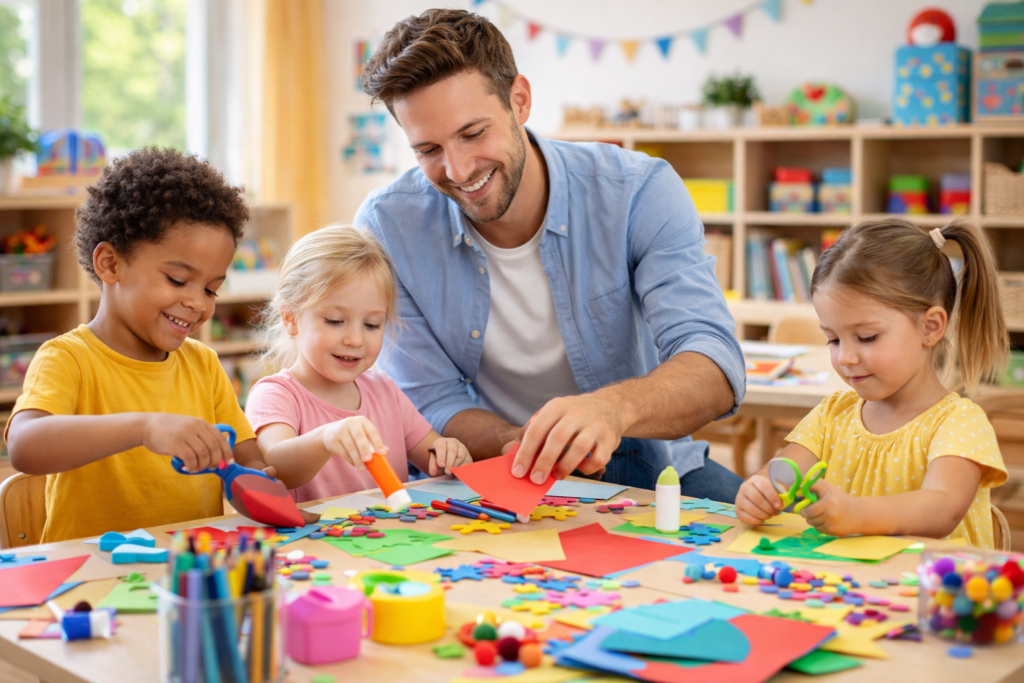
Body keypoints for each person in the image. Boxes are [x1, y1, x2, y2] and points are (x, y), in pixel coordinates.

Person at [355, 9, 745, 496]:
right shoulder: (388, 225)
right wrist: (521, 444)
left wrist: (611, 410)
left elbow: (714, 364)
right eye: (428, 149)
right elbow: (430, 399)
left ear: (519, 100)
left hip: (656, 468)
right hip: (494, 472)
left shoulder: (638, 191)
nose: (457, 169)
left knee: (777, 543)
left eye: (473, 133)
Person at [5, 148, 283, 543]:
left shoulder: (202, 363)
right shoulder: (68, 358)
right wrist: (144, 426)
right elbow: (25, 447)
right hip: (92, 575)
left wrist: (258, 477)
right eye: (177, 280)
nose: (197, 303)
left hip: (183, 569)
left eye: (210, 289)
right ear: (110, 264)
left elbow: (247, 455)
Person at [736, 218, 1008, 548]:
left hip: (934, 593)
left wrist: (857, 514)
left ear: (930, 327)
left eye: (867, 337)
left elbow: (942, 508)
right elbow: (784, 470)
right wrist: (760, 489)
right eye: (833, 340)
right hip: (854, 588)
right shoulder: (833, 414)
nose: (845, 357)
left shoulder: (959, 422)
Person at [244, 225, 473, 503]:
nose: (355, 339)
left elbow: (434, 460)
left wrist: (450, 453)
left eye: (371, 324)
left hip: (393, 541)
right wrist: (325, 438)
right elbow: (276, 468)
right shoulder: (275, 394)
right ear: (291, 318)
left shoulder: (384, 390)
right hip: (321, 545)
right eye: (335, 321)